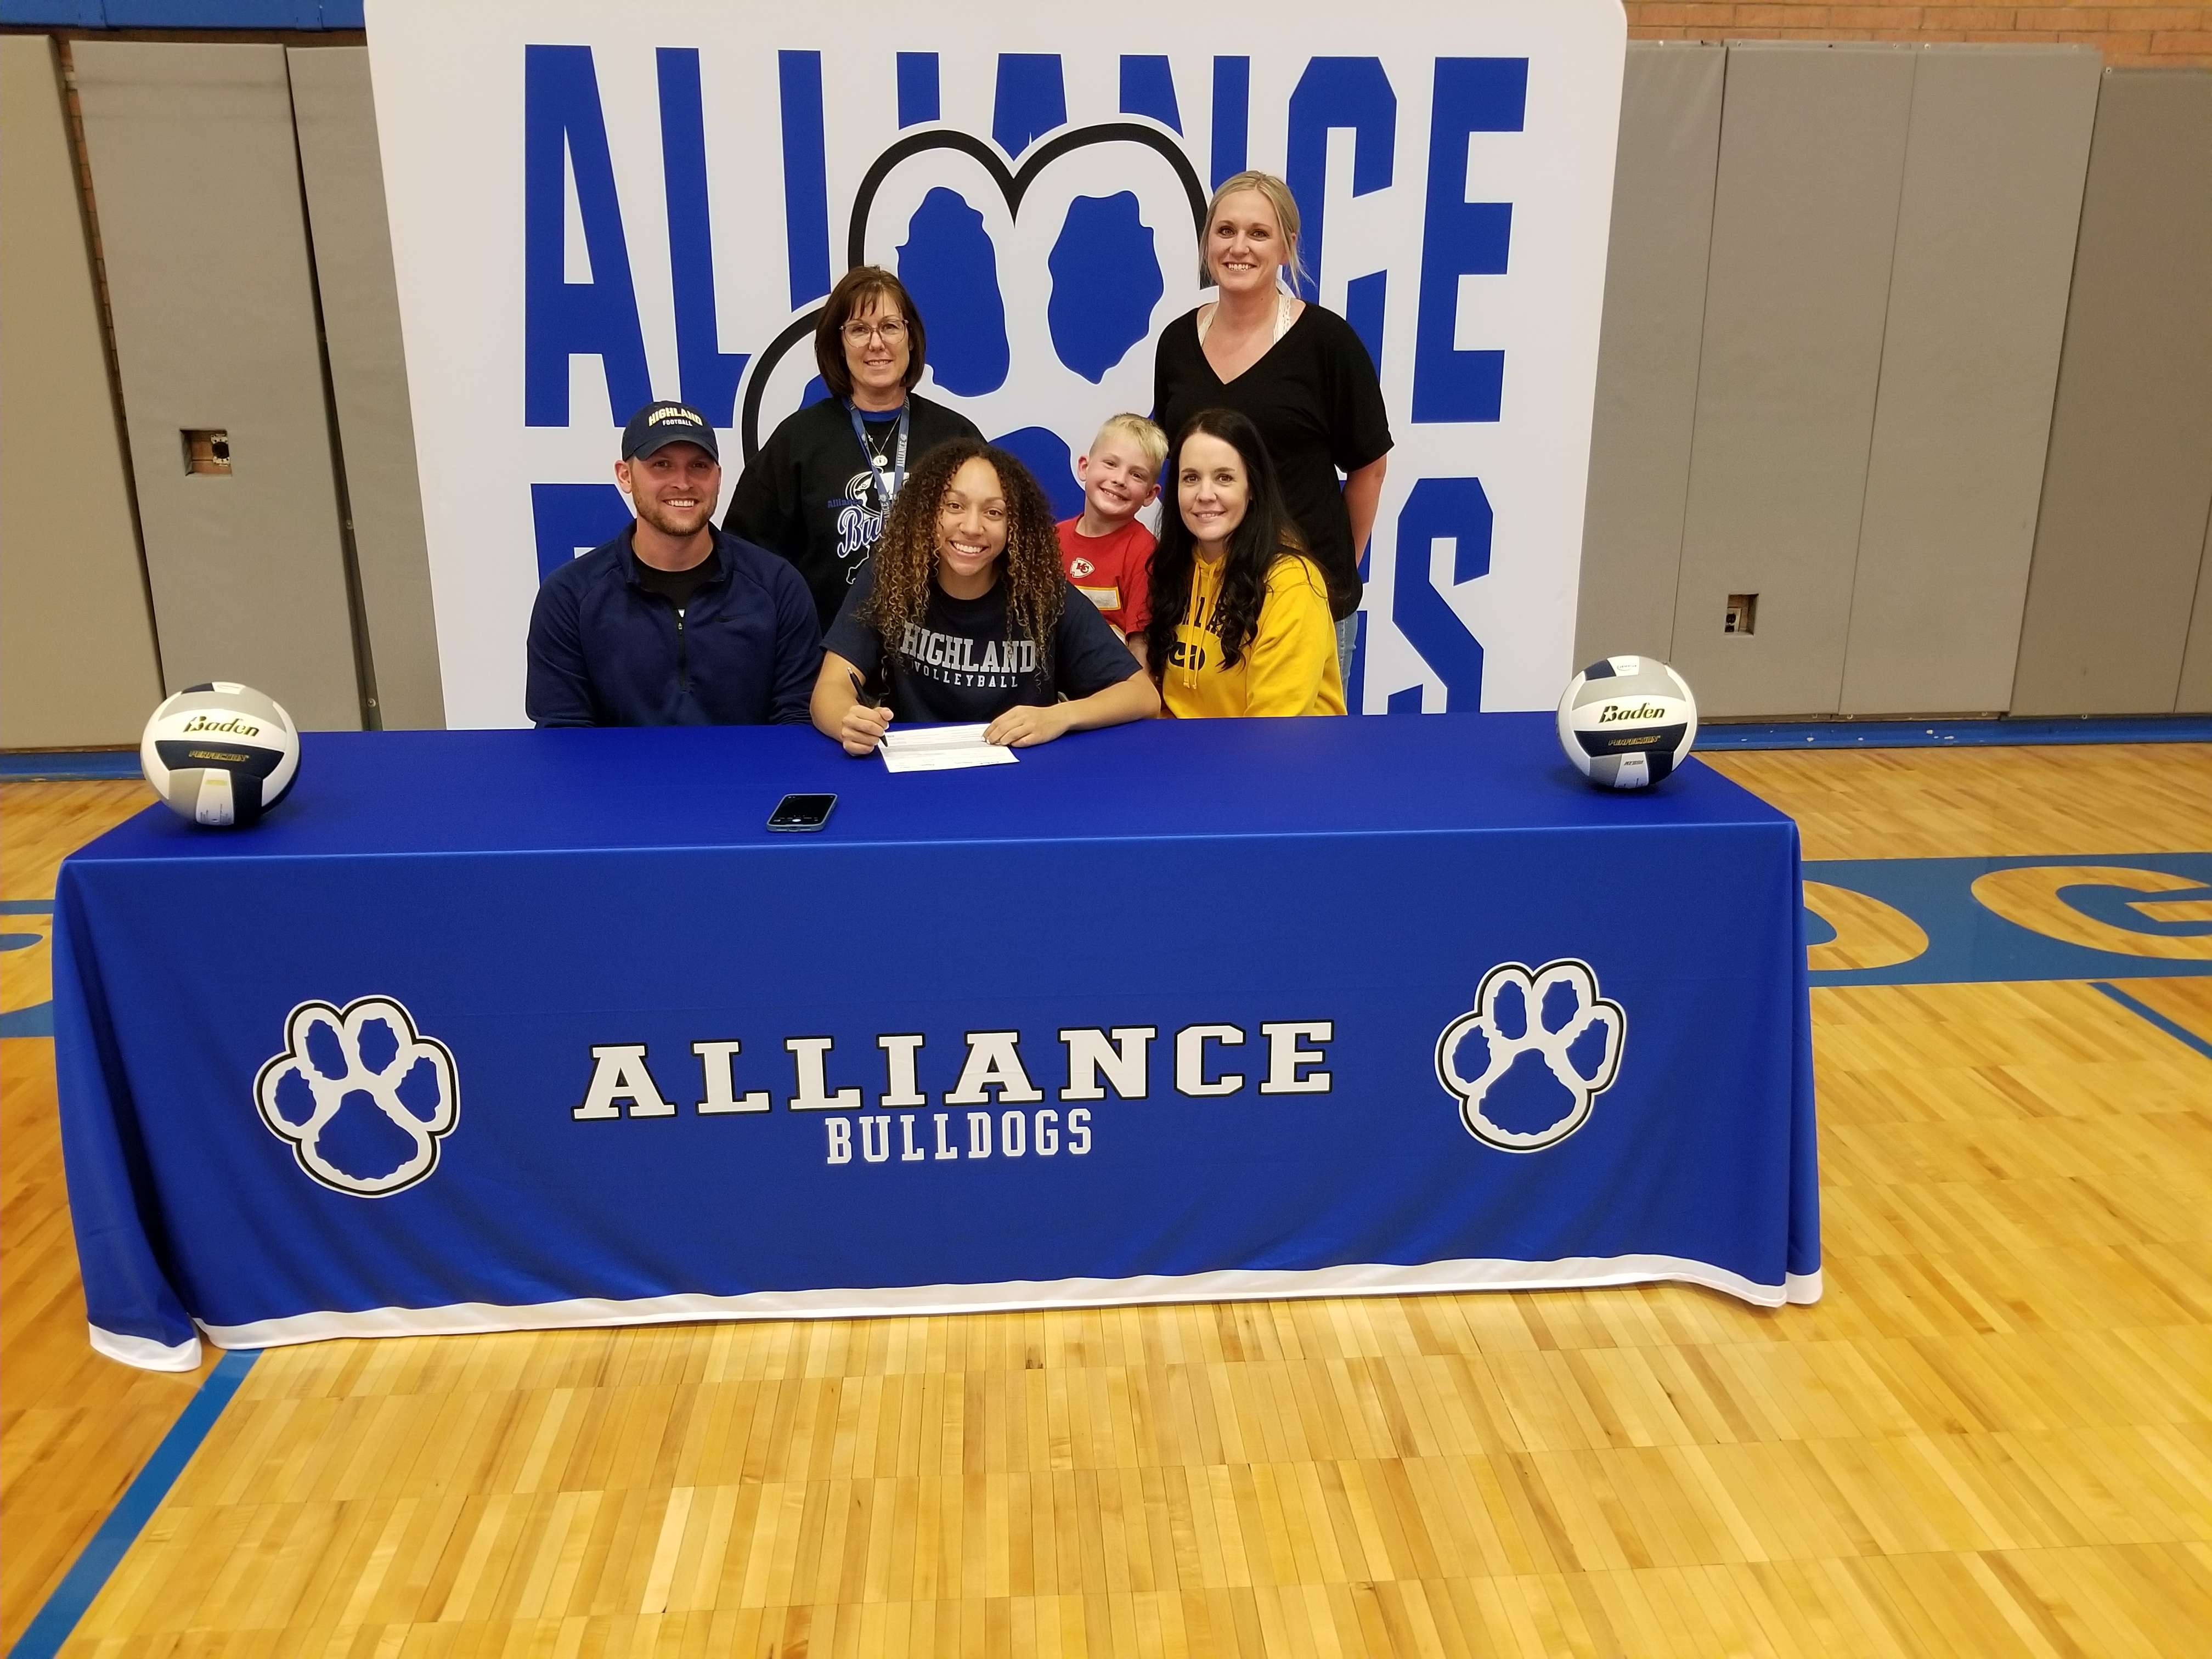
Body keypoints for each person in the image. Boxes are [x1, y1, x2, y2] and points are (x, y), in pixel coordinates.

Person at [1151, 171, 1391, 681]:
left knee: (1296, 758)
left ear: (1287, 246)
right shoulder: (1175, 343)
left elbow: (1369, 467)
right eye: (1226, 231)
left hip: (1302, 601)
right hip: (1200, 605)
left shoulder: (1327, 341)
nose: (1239, 247)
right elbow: (1175, 464)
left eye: (1259, 233)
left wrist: (1330, 570)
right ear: (1207, 241)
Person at [813, 439, 1159, 753]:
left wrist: (1060, 716)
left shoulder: (1043, 594)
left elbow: (1141, 696)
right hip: (912, 769)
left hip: (1020, 777)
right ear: (928, 510)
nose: (972, 527)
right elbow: (829, 689)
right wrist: (849, 722)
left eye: (994, 512)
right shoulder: (890, 577)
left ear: (1015, 526)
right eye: (954, 506)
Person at [526, 400, 820, 726]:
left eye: (699, 466)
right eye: (662, 465)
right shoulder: (569, 596)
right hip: (619, 779)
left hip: (748, 778)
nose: (683, 483)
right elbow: (563, 736)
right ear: (625, 476)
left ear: (718, 478)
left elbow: (796, 723)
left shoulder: (779, 587)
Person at [724, 266, 983, 631]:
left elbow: (995, 542)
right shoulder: (797, 441)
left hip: (938, 655)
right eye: (859, 330)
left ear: (910, 338)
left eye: (890, 326)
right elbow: (745, 556)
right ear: (838, 344)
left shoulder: (956, 437)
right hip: (823, 656)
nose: (876, 343)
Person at [1144, 408, 1345, 719]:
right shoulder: (1171, 569)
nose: (1205, 494)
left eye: (1224, 478)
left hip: (1275, 762)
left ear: (1251, 487)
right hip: (1185, 760)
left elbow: (1274, 728)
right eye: (1191, 478)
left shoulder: (1291, 584)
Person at [1056, 413, 1165, 664]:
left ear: (1151, 494)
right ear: (1084, 467)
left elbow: (1141, 646)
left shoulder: (1144, 552)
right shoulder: (1053, 539)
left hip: (1110, 688)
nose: (1119, 480)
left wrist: (1139, 699)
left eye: (1136, 475)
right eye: (1111, 464)